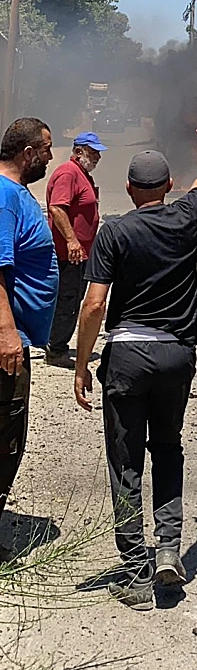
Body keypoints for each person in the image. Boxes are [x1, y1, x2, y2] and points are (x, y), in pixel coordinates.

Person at [74, 106, 197, 610]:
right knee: (168, 447)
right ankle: (169, 549)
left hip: (128, 358)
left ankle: (136, 573)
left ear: (130, 189)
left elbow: (94, 305)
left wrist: (81, 365)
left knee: (126, 460)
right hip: (177, 355)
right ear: (169, 186)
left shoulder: (115, 232)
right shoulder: (186, 217)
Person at [0, 118, 58, 534]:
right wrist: (6, 334)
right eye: (47, 149)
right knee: (5, 440)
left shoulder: (15, 193)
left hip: (16, 337)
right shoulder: (5, 197)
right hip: (6, 343)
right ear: (28, 153)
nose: (50, 157)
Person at [45, 132, 107, 368]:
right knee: (68, 302)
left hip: (80, 254)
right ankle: (56, 350)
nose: (98, 157)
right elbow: (57, 208)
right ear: (79, 151)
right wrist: (72, 240)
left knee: (72, 298)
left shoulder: (82, 174)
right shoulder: (68, 173)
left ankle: (54, 342)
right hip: (68, 254)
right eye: (93, 152)